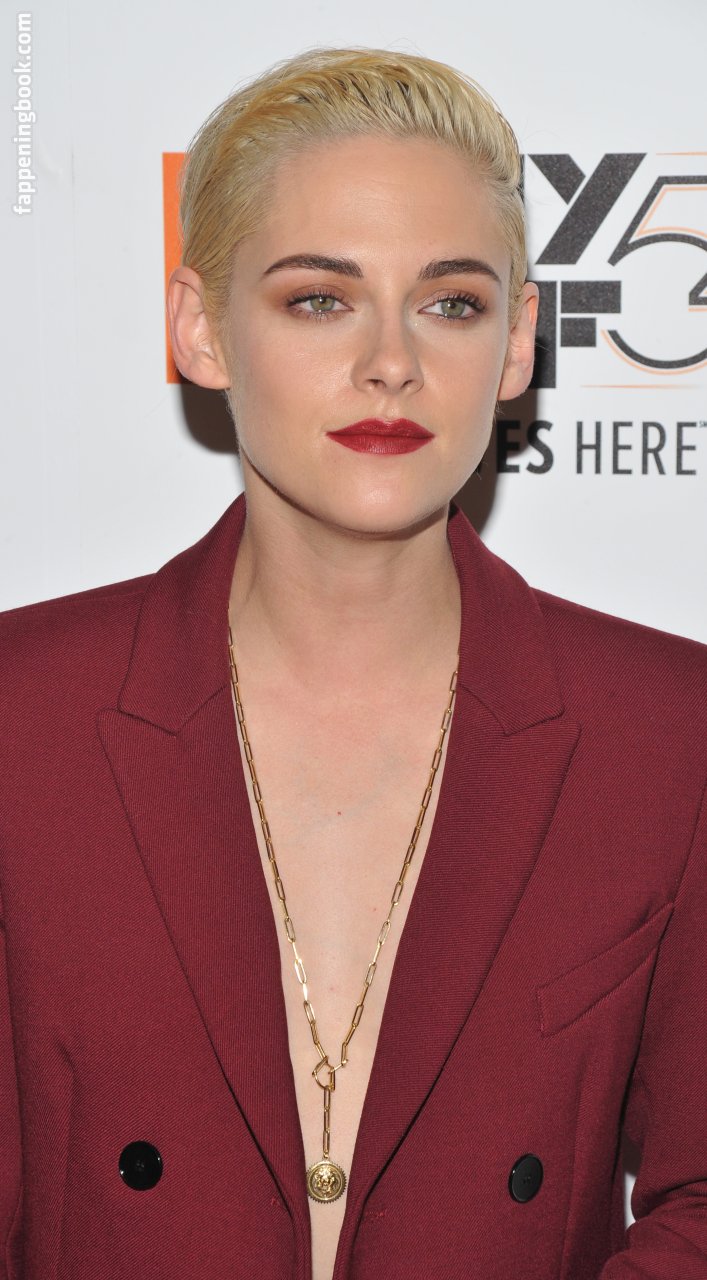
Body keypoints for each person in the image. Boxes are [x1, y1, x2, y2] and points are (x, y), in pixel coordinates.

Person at [0, 44, 705, 1280]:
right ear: (200, 329)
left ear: (517, 342)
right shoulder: (23, 715)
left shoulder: (664, 732)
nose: (391, 360)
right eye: (319, 299)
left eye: (450, 303)